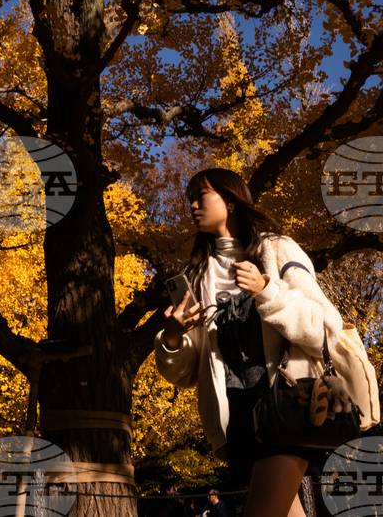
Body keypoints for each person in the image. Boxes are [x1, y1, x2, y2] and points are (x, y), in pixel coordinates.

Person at [154, 168, 353, 517]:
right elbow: (187, 375)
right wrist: (172, 336)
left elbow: (325, 327)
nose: (192, 206)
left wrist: (267, 291)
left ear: (230, 202)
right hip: (236, 424)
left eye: (201, 196)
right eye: (189, 199)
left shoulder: (277, 249)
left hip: (287, 407)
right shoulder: (199, 274)